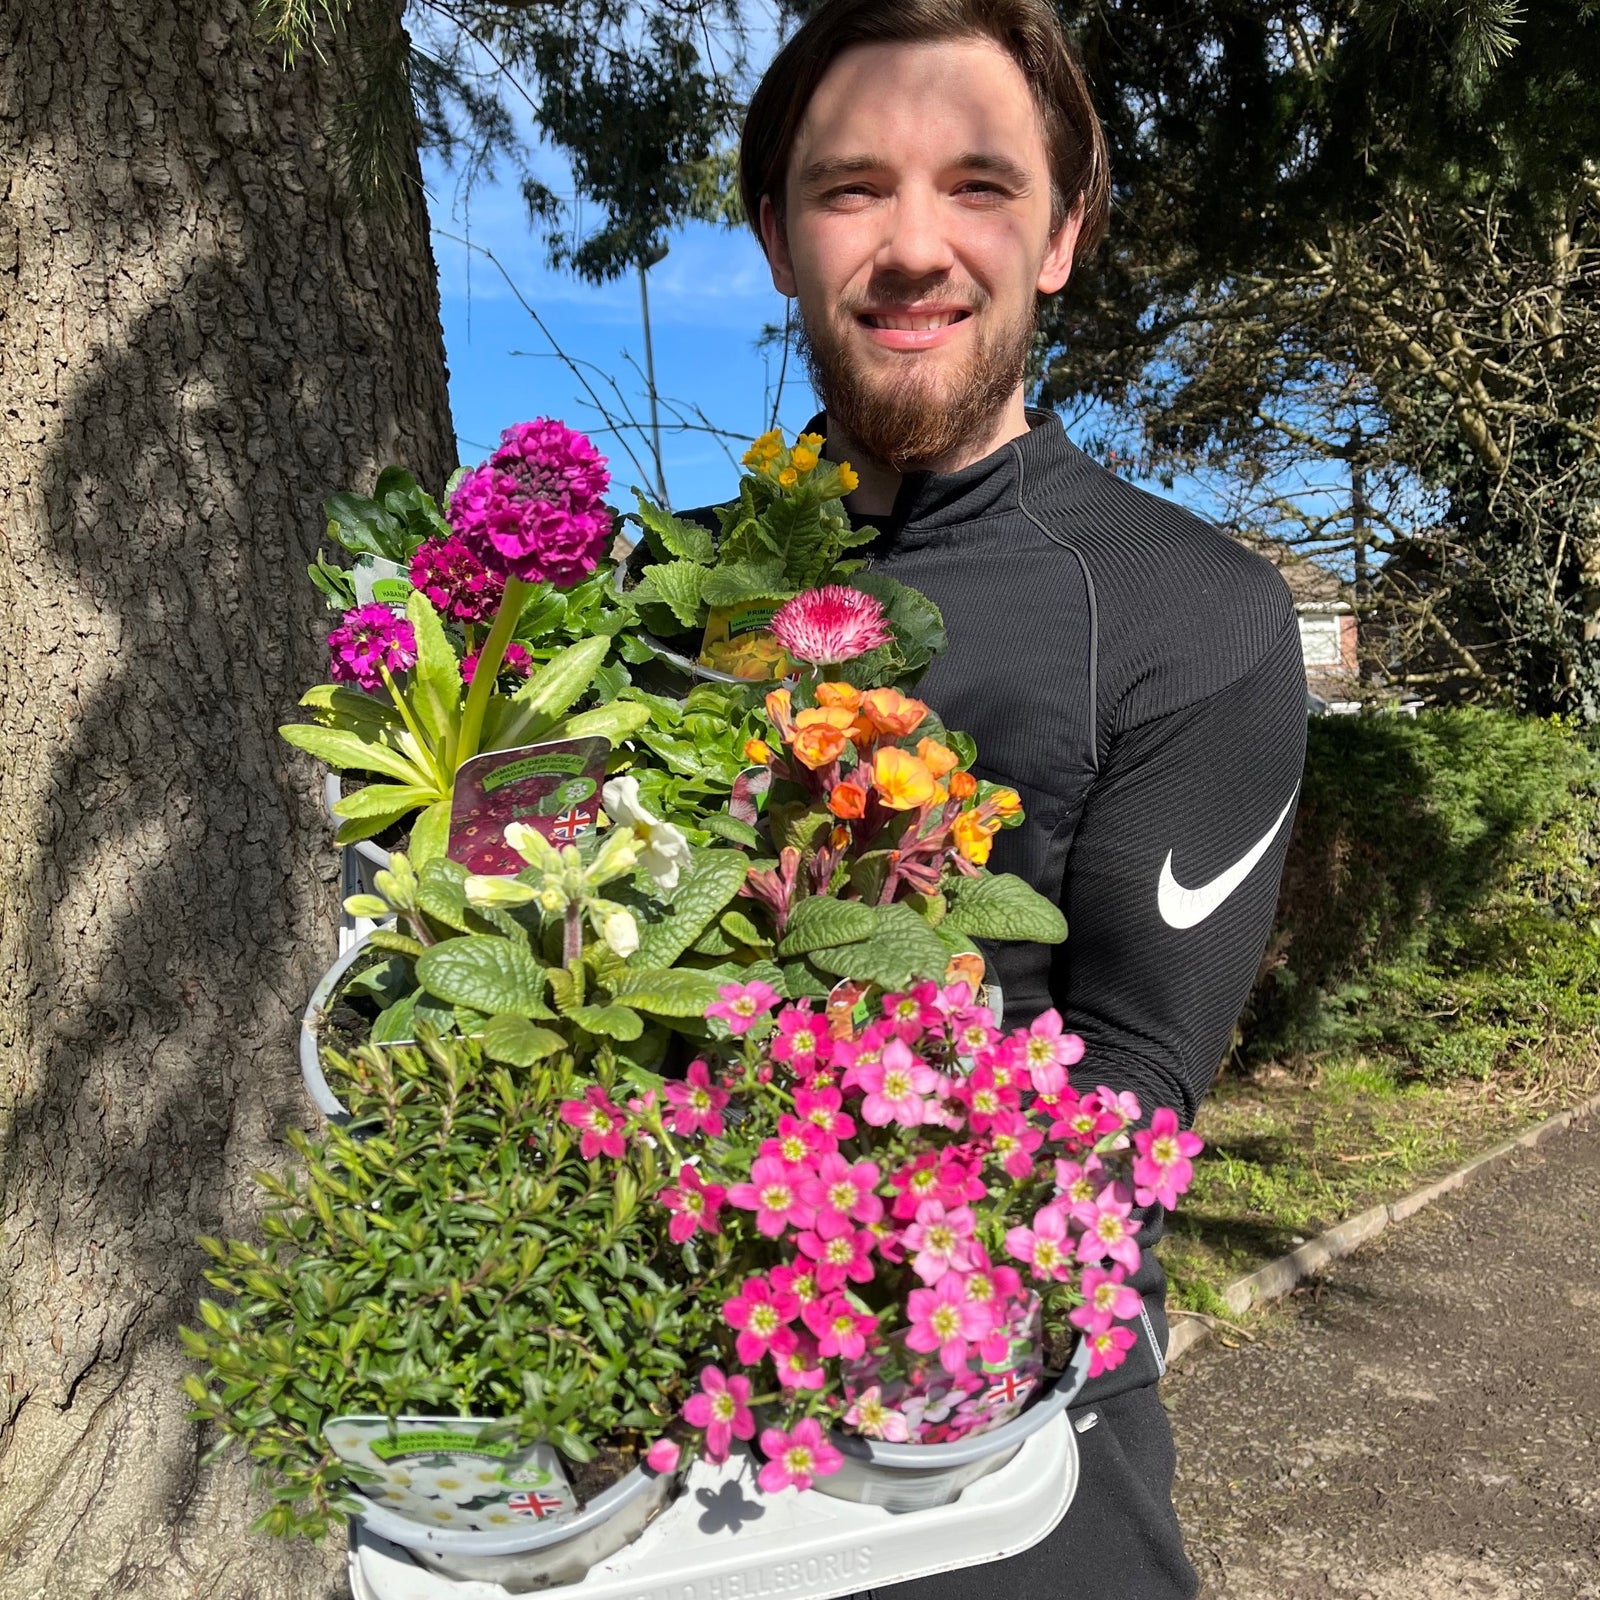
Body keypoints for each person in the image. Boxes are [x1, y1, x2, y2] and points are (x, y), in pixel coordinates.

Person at [734, 3, 1309, 1597]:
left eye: (980, 185)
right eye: (853, 187)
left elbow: (1130, 1086)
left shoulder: (1193, 615)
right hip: (649, 1474)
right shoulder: (649, 603)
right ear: (777, 237)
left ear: (1062, 234)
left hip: (1003, 1498)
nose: (915, 244)